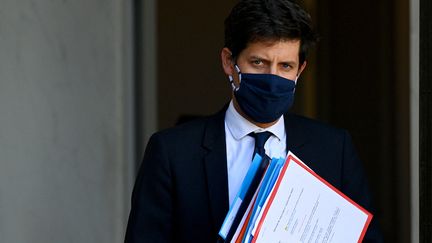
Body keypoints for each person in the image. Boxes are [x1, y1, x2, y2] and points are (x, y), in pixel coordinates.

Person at [124, 0, 383, 242]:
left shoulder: (333, 149)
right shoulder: (173, 153)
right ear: (229, 61)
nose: (272, 77)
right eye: (258, 62)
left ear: (300, 69)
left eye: (285, 66)